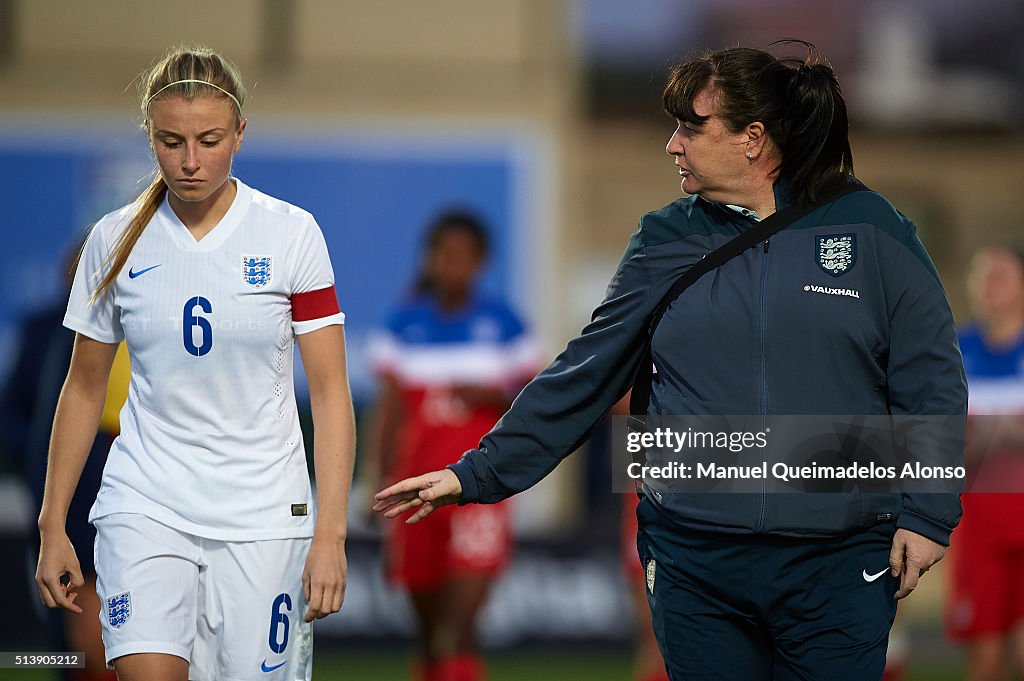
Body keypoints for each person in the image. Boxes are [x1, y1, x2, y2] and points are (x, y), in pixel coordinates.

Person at [375, 41, 966, 680]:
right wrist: (477, 473)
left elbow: (931, 380)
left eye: (691, 126)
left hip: (838, 559)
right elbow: (586, 372)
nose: (673, 143)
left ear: (752, 138)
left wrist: (928, 512)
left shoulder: (876, 231)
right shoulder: (664, 238)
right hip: (695, 562)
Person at [34, 45, 355, 681]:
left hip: (265, 513)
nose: (189, 161)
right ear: (150, 137)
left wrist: (332, 535)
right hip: (145, 502)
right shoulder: (112, 238)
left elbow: (329, 390)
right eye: (170, 141)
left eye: (208, 140)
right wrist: (52, 524)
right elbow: (82, 388)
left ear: (240, 133)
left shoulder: (292, 234)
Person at [366, 211, 539, 681]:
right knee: (429, 638)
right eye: (445, 255)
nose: (453, 266)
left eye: (464, 256)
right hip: (414, 492)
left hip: (479, 492)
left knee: (457, 632)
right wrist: (373, 481)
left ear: (481, 262)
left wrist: (494, 395)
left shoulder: (505, 325)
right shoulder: (404, 324)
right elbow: (387, 413)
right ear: (431, 259)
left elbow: (540, 404)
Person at [947, 245, 1024, 680]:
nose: (988, 284)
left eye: (1001, 274)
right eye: (982, 275)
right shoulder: (954, 349)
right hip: (979, 524)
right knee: (986, 656)